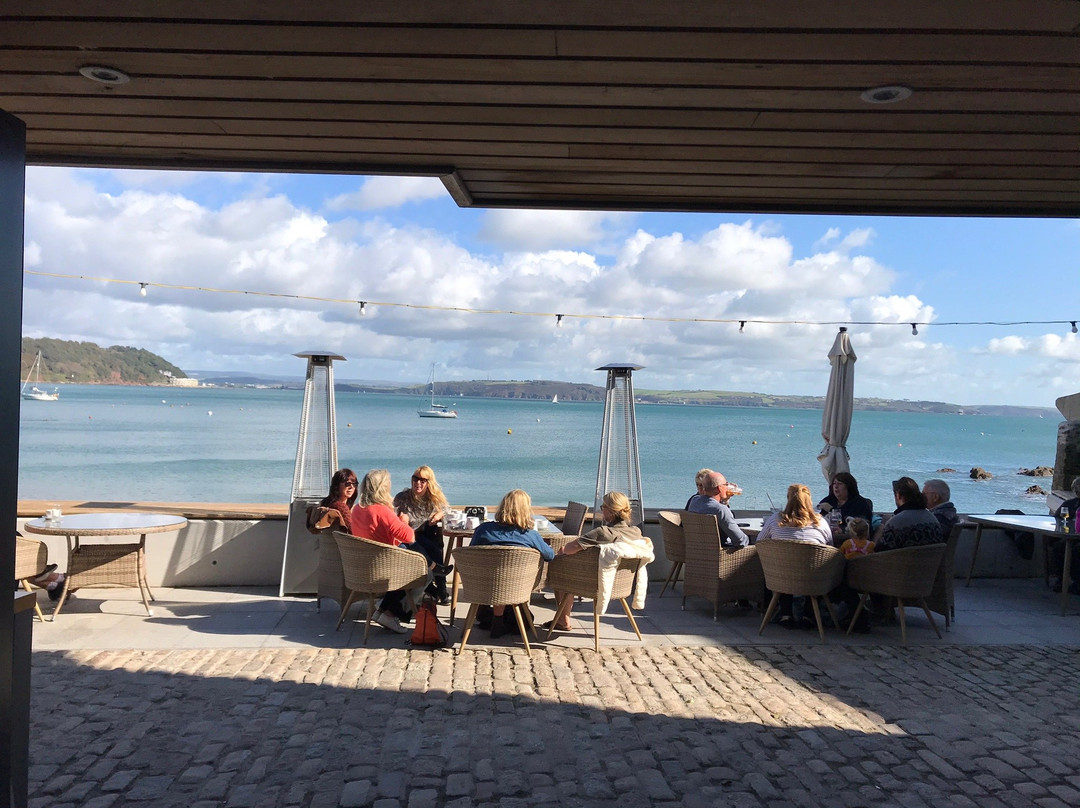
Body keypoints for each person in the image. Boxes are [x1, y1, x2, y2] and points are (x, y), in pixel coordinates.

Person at [548, 491, 654, 632]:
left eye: (603, 506)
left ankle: (563, 619)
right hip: (622, 583)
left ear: (610, 511)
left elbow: (566, 549)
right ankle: (562, 619)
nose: (601, 509)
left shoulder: (602, 532)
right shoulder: (636, 532)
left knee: (561, 566)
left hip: (595, 583)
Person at [469, 489, 555, 638]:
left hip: (487, 586)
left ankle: (496, 619)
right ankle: (508, 618)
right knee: (527, 620)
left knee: (497, 585)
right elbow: (550, 556)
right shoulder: (530, 535)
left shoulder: (484, 530)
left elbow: (470, 555)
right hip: (517, 587)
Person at [351, 469, 419, 634]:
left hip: (363, 566)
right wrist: (403, 521)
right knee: (422, 573)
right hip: (382, 569)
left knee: (418, 561)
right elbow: (409, 536)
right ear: (382, 487)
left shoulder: (357, 509)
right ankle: (390, 613)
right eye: (388, 484)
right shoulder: (382, 511)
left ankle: (382, 611)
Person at [756, 484, 831, 629]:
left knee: (785, 563)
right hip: (814, 579)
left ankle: (786, 614)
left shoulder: (775, 520)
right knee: (819, 566)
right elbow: (830, 546)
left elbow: (760, 542)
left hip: (781, 578)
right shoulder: (821, 522)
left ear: (788, 499)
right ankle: (808, 615)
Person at [394, 465, 452, 604]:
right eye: (415, 479)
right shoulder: (403, 497)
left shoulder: (434, 498)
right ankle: (436, 588)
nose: (418, 482)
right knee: (431, 547)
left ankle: (441, 588)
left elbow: (447, 509)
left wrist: (440, 514)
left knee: (435, 546)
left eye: (422, 480)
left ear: (428, 483)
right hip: (407, 537)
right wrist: (402, 521)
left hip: (423, 536)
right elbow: (392, 518)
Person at [876, 477, 943, 551]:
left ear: (898, 495)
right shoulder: (933, 519)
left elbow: (879, 551)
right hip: (932, 561)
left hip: (900, 562)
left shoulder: (896, 523)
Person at [686, 470, 749, 548]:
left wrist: (724, 501)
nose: (727, 487)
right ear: (719, 488)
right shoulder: (721, 510)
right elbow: (740, 541)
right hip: (719, 555)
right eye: (726, 484)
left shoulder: (694, 501)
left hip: (696, 551)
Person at [817, 472, 874, 541]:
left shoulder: (859, 503)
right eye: (834, 483)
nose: (836, 486)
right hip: (829, 536)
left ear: (848, 487)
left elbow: (856, 524)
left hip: (854, 540)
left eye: (840, 483)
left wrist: (831, 509)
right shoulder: (830, 499)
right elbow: (818, 514)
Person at [1049, 476, 1080, 594]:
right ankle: (1061, 580)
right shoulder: (1069, 504)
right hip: (1070, 536)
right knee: (1059, 547)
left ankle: (1077, 582)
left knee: (1076, 550)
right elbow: (1057, 519)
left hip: (1076, 539)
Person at [308, 468, 358, 534]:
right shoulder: (340, 507)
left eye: (354, 484)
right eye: (347, 484)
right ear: (337, 486)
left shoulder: (326, 502)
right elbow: (354, 531)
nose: (351, 487)